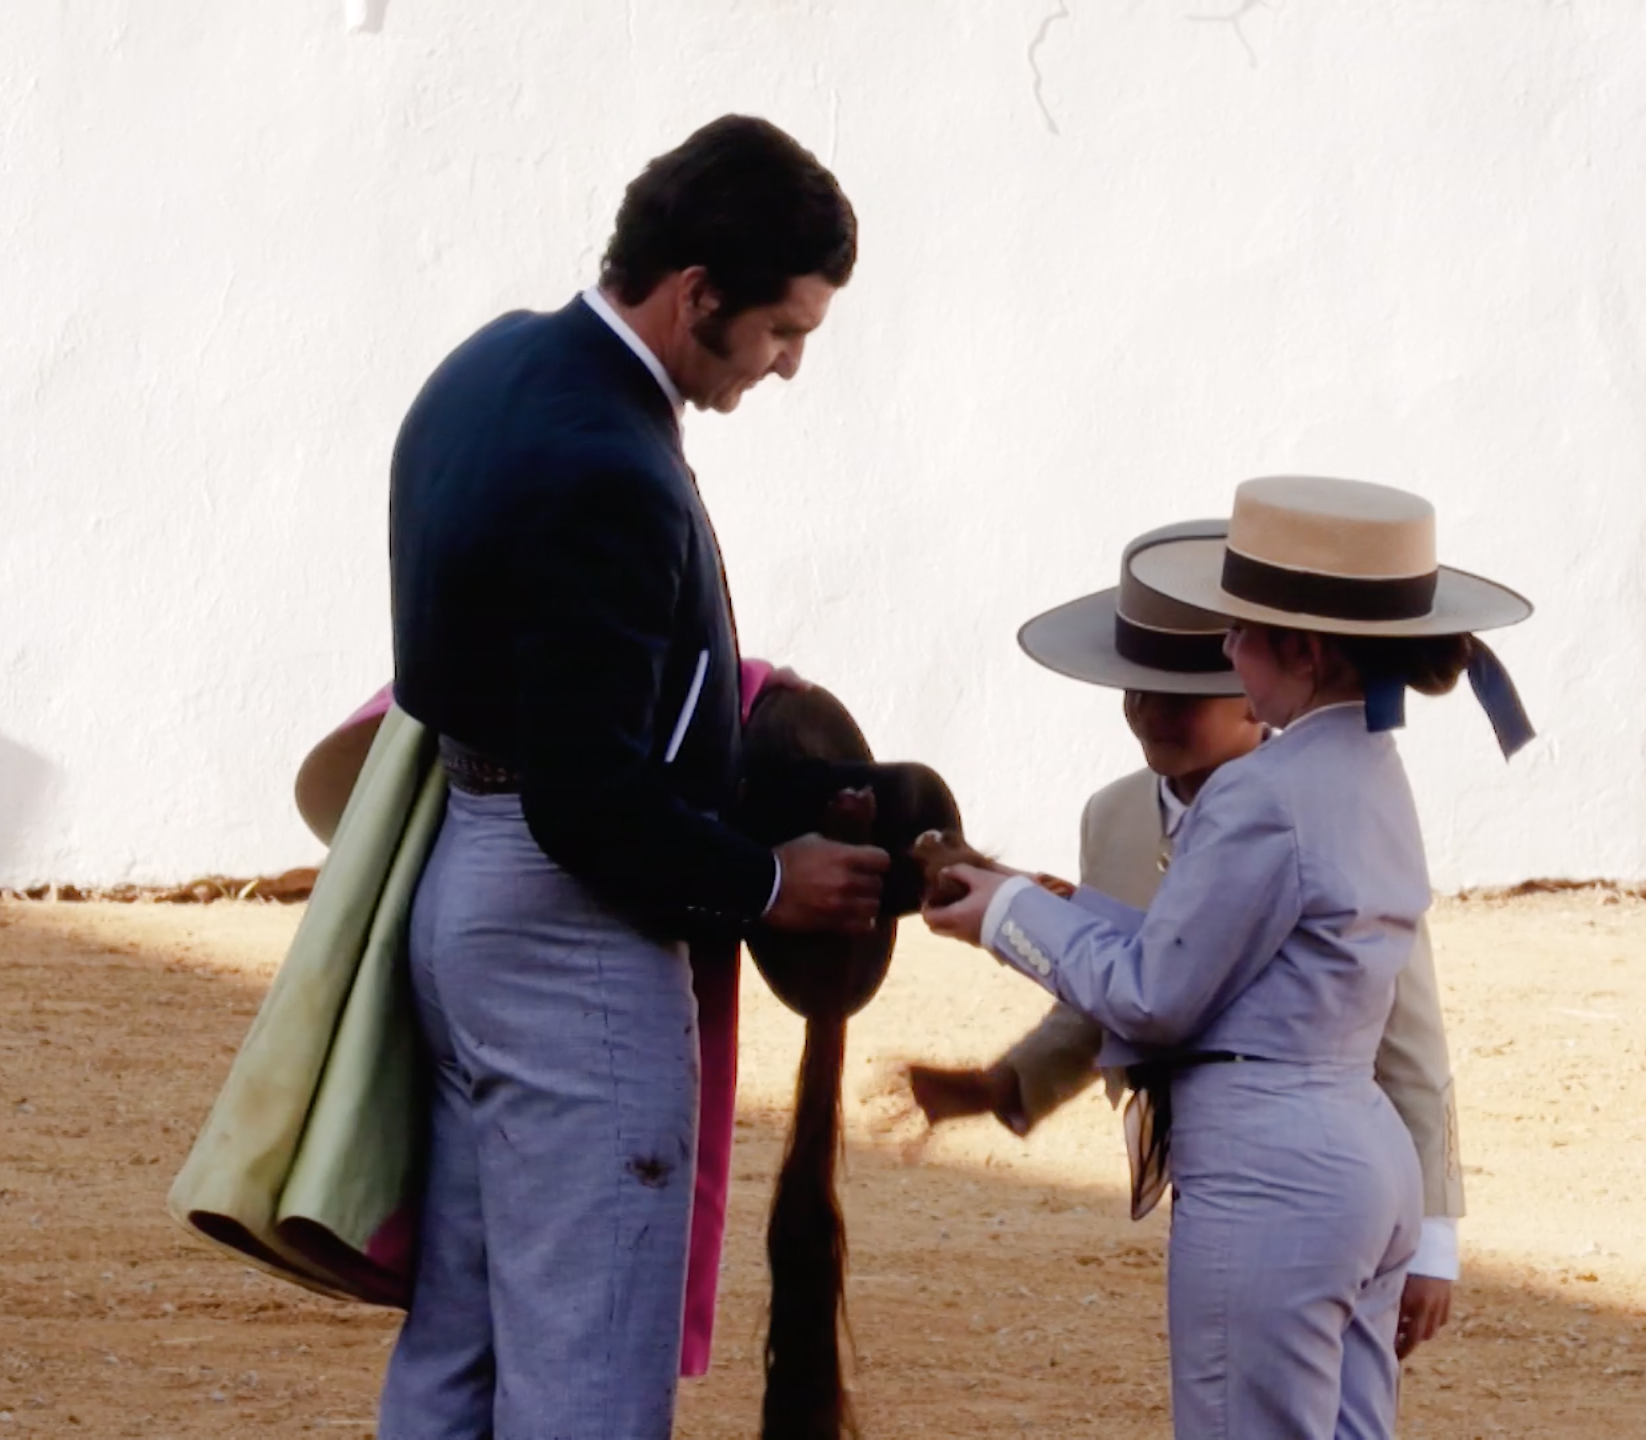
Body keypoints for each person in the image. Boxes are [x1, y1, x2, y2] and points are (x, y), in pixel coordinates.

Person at [378, 115, 890, 1439]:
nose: (785, 369)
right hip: (565, 938)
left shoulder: (489, 365)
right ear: (696, 295)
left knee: (464, 1350)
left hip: (461, 887)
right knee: (587, 1376)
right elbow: (589, 795)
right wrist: (764, 880)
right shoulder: (613, 467)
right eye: (783, 332)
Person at [924, 476, 1533, 1440]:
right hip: (1360, 1158)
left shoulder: (1266, 792)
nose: (1226, 649)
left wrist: (1003, 916)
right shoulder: (1372, 767)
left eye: (1241, 631)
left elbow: (1158, 994)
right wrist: (1047, 900)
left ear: (1301, 647)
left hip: (1271, 1171)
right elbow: (1218, 959)